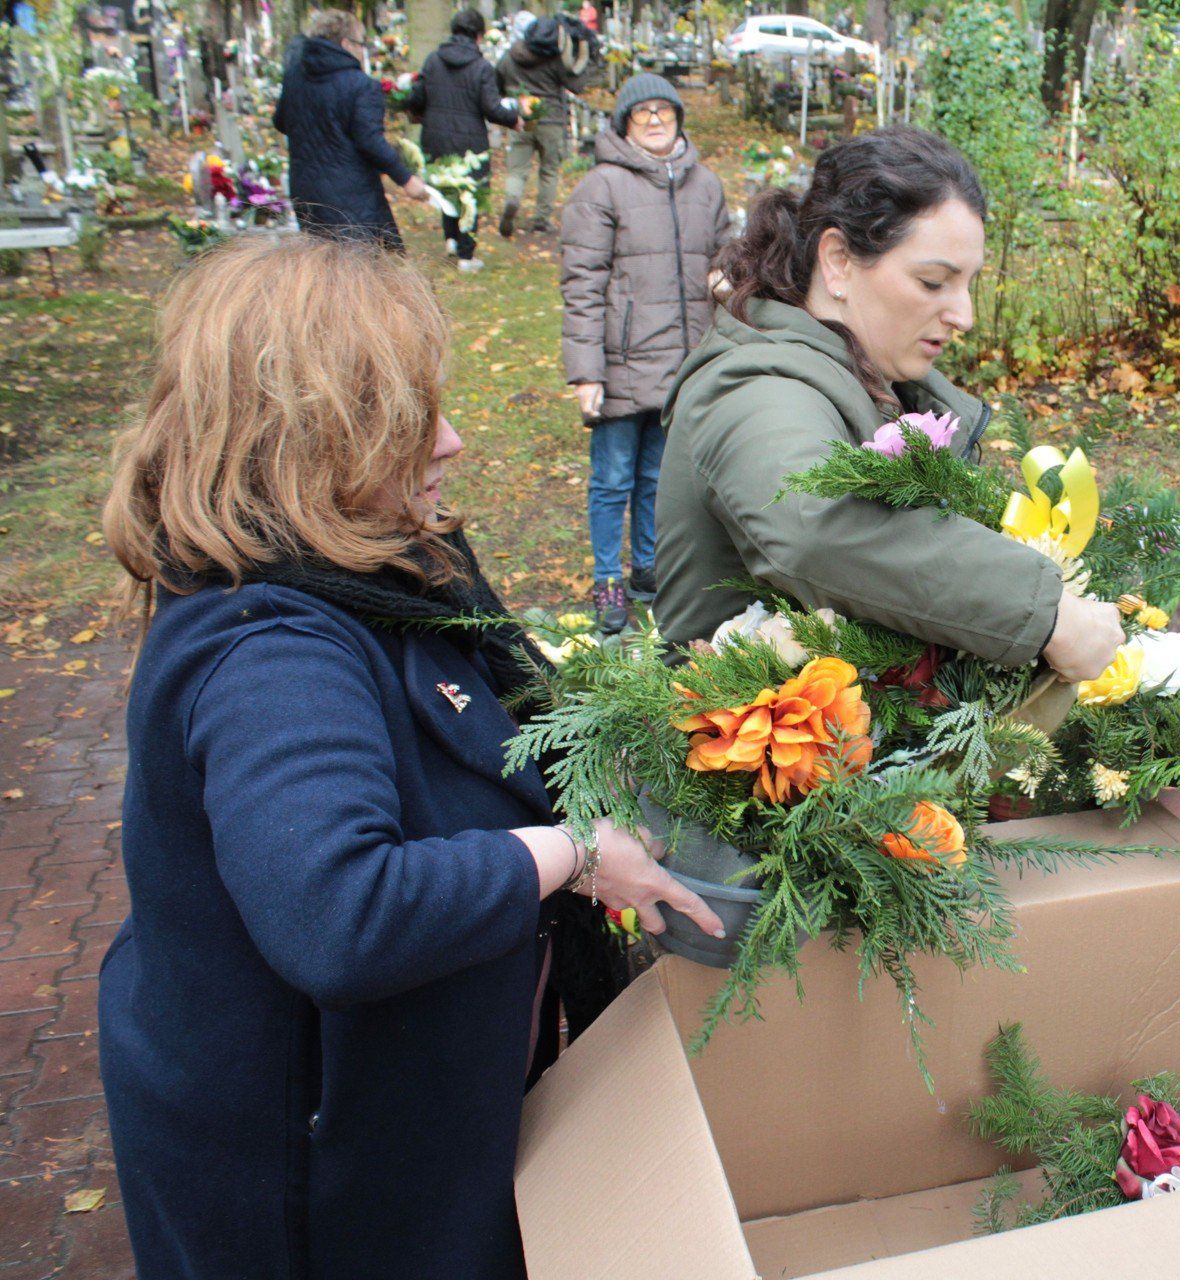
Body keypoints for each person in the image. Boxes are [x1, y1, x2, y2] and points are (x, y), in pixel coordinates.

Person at [96, 234, 723, 1280]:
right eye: (408, 418)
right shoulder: (272, 654)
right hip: (310, 1175)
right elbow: (338, 911)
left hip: (386, 1116)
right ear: (307, 443)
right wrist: (569, 852)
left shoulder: (372, 572)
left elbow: (480, 729)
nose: (453, 440)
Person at [653, 126, 1123, 684]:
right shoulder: (755, 386)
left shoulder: (876, 380)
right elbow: (813, 525)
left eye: (969, 283)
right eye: (933, 282)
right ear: (838, 261)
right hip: (748, 755)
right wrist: (1045, 614)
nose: (963, 315)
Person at [561, 73, 731, 633]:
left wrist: (727, 273)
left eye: (665, 110)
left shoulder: (706, 185)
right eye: (643, 113)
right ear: (624, 123)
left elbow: (729, 252)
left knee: (660, 478)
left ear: (679, 118)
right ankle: (607, 581)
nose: (656, 119)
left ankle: (648, 571)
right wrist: (586, 371)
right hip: (620, 360)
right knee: (612, 480)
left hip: (682, 362)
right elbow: (582, 283)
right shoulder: (601, 187)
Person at [274, 9, 429, 251]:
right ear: (346, 44)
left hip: (306, 191)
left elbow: (281, 121)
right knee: (360, 272)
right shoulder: (361, 86)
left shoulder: (294, 76)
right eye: (361, 43)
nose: (362, 50)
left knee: (319, 264)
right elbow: (370, 141)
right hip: (350, 195)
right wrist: (406, 179)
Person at [409, 7, 521, 271]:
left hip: (436, 137)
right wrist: (514, 118)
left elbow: (417, 97)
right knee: (470, 195)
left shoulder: (433, 60)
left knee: (448, 189)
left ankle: (450, 240)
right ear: (479, 35)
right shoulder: (481, 67)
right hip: (470, 141)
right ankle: (466, 255)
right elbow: (492, 108)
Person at [495, 12, 598, 237]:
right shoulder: (555, 59)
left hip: (520, 120)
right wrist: (590, 62)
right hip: (551, 121)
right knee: (549, 171)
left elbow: (497, 82)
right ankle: (541, 220)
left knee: (516, 170)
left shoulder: (510, 55)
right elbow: (576, 85)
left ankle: (512, 200)